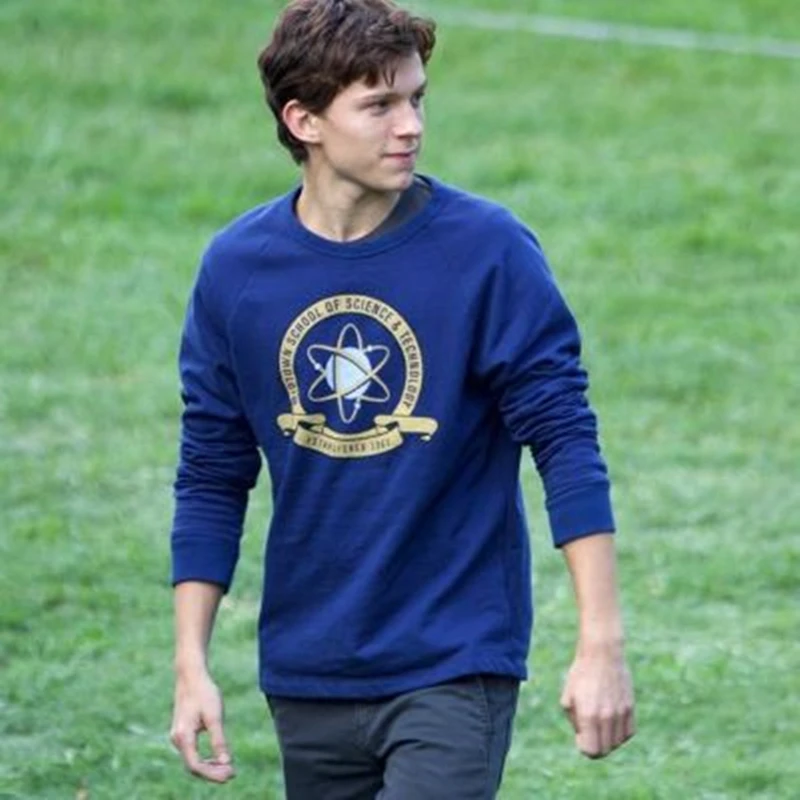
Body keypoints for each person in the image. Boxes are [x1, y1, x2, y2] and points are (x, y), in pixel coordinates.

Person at [168, 0, 635, 797]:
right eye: (379, 105)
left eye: (417, 98)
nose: (411, 125)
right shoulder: (238, 271)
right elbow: (211, 473)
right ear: (304, 121)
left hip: (453, 659)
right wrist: (191, 665)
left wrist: (602, 643)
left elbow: (565, 441)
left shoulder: (486, 252)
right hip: (308, 670)